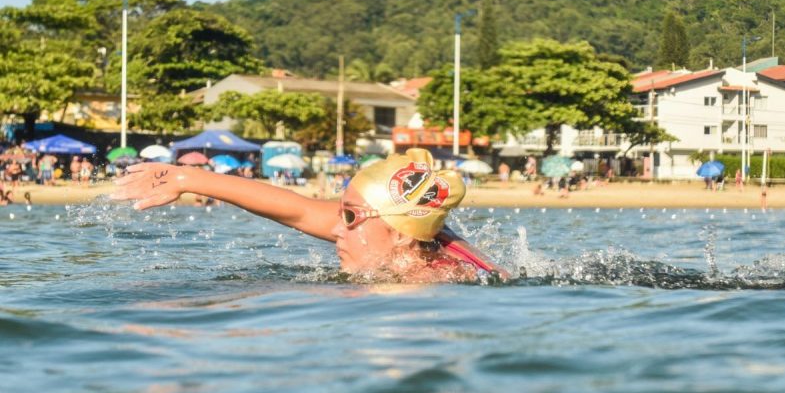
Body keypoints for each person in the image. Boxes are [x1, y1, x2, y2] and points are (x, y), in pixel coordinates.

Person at [112, 148, 508, 282]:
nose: (337, 228)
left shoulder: (428, 284)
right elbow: (297, 208)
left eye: (350, 218)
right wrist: (187, 177)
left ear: (402, 234)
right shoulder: (415, 233)